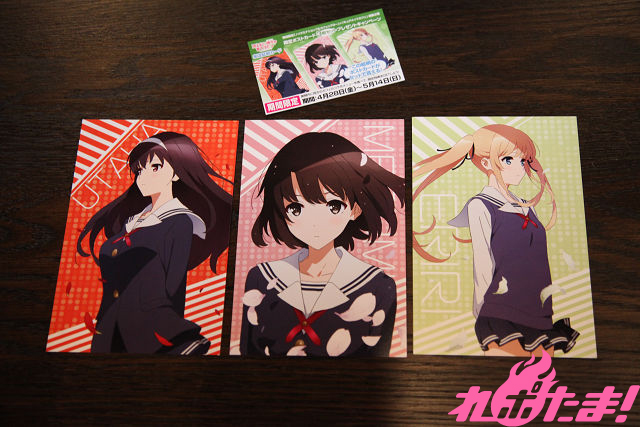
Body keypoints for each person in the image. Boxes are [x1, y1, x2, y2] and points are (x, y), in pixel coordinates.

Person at [413, 124, 579, 357]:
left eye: (524, 161)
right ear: (486, 163)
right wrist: (481, 312)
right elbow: (483, 262)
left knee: (541, 372)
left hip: (539, 311)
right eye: (509, 160)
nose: (520, 168)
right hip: (502, 311)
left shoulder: (527, 207)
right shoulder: (481, 205)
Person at [240, 132, 404, 356]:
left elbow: (376, 362)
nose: (314, 222)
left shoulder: (377, 286)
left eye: (333, 206)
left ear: (355, 209)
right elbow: (248, 354)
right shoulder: (262, 278)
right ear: (280, 210)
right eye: (295, 208)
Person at [77, 132, 232, 355]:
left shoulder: (179, 222)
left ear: (176, 173)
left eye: (156, 167)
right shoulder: (131, 221)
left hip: (149, 332)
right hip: (108, 330)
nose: (144, 177)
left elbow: (172, 288)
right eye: (139, 170)